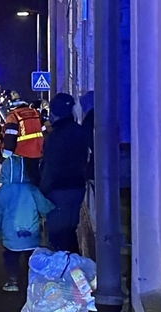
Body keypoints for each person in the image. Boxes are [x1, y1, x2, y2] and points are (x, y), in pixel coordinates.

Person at [0, 155, 54, 292]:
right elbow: (45, 207)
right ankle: (34, 283)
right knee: (32, 259)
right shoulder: (32, 189)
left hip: (11, 237)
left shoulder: (2, 193)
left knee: (10, 258)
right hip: (32, 235)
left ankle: (13, 281)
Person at [39, 92, 90, 253]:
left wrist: (42, 192)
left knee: (58, 236)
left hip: (59, 190)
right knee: (69, 232)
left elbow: (51, 168)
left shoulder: (55, 137)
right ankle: (73, 271)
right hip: (78, 186)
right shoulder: (79, 130)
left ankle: (67, 273)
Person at [2, 91, 44, 185]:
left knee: (24, 180)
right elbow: (42, 129)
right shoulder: (34, 112)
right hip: (39, 151)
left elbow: (10, 136)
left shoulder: (13, 116)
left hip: (22, 153)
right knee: (37, 178)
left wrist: (6, 154)